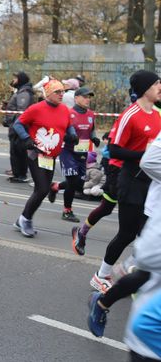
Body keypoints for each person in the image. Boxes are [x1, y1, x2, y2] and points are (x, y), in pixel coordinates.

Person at [89, 70, 161, 294]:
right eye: (157, 83)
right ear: (145, 88)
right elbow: (114, 149)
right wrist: (144, 154)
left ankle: (137, 275)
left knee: (147, 233)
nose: (160, 87)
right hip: (131, 182)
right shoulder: (130, 114)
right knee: (127, 233)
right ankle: (101, 275)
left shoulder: (157, 114)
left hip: (150, 183)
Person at [90, 126, 161, 342]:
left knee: (146, 271)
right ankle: (104, 293)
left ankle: (104, 300)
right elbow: (148, 161)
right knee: (146, 267)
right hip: (151, 207)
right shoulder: (135, 114)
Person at [11, 79, 74, 237]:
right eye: (57, 92)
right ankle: (25, 219)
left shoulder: (65, 110)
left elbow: (69, 125)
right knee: (42, 189)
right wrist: (26, 139)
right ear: (48, 93)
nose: (61, 95)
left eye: (62, 91)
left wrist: (72, 135)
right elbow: (18, 124)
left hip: (51, 156)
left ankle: (22, 220)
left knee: (41, 190)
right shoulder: (36, 108)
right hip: (36, 154)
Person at [47, 87, 100, 223]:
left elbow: (91, 130)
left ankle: (55, 187)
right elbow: (59, 132)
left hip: (82, 152)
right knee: (71, 181)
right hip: (68, 151)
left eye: (89, 97)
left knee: (79, 184)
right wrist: (68, 137)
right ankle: (67, 211)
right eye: (85, 96)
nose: (88, 99)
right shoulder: (68, 113)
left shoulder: (90, 114)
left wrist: (94, 138)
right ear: (76, 98)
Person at [71, 123, 122, 255]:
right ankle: (82, 233)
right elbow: (111, 149)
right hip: (119, 171)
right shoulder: (131, 115)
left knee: (134, 225)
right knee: (107, 209)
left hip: (143, 176)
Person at [2, 71, 34, 183]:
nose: (13, 81)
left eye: (15, 79)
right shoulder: (21, 92)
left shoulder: (23, 93)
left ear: (20, 80)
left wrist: (10, 119)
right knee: (16, 152)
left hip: (18, 128)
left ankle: (20, 175)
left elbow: (22, 112)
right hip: (15, 127)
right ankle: (18, 174)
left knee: (18, 152)